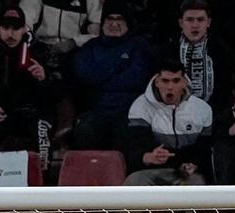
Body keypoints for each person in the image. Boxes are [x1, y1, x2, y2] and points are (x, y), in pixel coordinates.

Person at [0, 5, 64, 167]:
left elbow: (58, 93)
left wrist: (44, 78)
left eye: (16, 28)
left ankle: (43, 181)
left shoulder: (42, 52)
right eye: (6, 28)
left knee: (41, 134)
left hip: (36, 113)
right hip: (2, 111)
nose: (10, 34)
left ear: (24, 29)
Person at [71, 0, 154, 150]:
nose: (114, 24)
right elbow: (84, 75)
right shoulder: (91, 46)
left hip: (129, 112)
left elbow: (136, 79)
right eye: (110, 19)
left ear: (128, 23)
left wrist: (101, 80)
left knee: (128, 136)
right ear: (102, 22)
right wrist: (118, 65)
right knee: (85, 130)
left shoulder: (138, 45)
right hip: (97, 111)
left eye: (120, 19)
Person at [123, 60, 212, 186]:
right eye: (165, 81)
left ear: (184, 82)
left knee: (197, 184)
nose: (170, 87)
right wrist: (147, 156)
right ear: (157, 82)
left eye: (176, 81)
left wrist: (193, 164)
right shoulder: (140, 106)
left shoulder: (202, 109)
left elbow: (204, 149)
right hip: (151, 171)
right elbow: (134, 147)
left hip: (186, 173)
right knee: (134, 181)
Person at [164, 0, 230, 105]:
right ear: (181, 23)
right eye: (189, 20)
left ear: (208, 22)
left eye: (200, 20)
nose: (195, 25)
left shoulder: (220, 50)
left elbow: (225, 89)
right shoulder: (168, 50)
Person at [20, 0, 101, 55]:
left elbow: (99, 33)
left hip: (75, 49)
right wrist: (29, 37)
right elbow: (25, 17)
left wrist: (74, 42)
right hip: (41, 46)